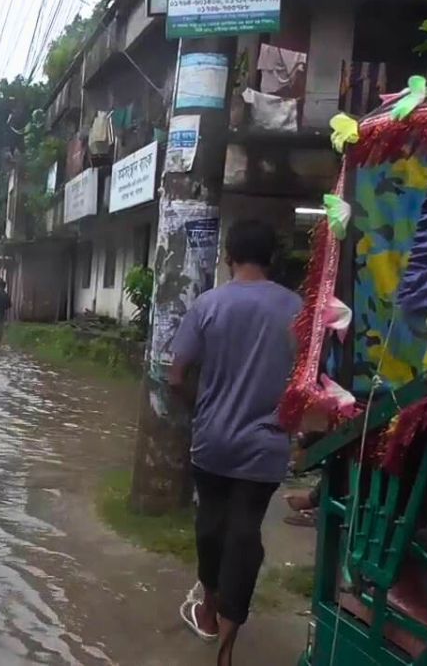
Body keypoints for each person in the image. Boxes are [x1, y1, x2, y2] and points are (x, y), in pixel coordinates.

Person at [169, 219, 302, 666]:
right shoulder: (297, 310)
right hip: (266, 447)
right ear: (273, 259)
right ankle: (227, 646)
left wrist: (203, 409)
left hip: (213, 442)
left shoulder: (208, 304)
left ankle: (208, 611)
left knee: (211, 528)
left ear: (228, 257)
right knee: (245, 534)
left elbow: (176, 376)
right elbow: (311, 381)